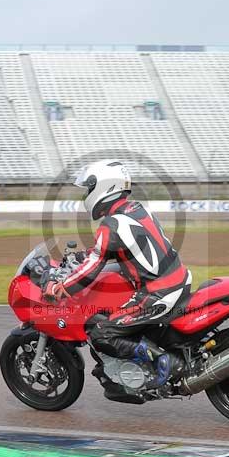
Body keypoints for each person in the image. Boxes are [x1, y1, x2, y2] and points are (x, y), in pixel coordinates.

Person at [43, 160, 190, 388]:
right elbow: (112, 250)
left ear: (104, 187)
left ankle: (165, 362)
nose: (87, 195)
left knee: (101, 333)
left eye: (90, 188)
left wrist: (60, 287)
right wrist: (79, 258)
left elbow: (91, 269)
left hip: (158, 294)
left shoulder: (111, 225)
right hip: (178, 282)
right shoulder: (137, 209)